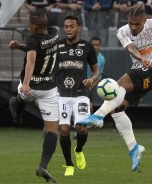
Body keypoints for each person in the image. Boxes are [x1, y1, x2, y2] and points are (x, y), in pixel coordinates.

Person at [77, 5, 152, 172]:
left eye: (137, 24)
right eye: (131, 23)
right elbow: (130, 48)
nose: (133, 27)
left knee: (120, 84)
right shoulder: (122, 31)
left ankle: (97, 116)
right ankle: (134, 149)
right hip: (141, 69)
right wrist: (141, 57)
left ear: (144, 21)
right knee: (117, 110)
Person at [9, 11, 59, 183]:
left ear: (34, 27)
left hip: (31, 86)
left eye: (29, 24)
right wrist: (20, 46)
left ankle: (18, 105)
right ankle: (43, 165)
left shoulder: (32, 39)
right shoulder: (54, 33)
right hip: (49, 89)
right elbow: (39, 50)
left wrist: (26, 84)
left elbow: (31, 60)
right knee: (52, 131)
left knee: (22, 96)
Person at [57, 15, 99, 176]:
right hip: (62, 94)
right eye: (66, 26)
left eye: (71, 26)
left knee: (81, 128)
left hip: (81, 94)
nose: (68, 29)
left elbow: (96, 71)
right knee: (65, 129)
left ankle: (79, 149)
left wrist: (92, 80)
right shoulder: (57, 46)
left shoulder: (87, 47)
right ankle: (69, 165)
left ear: (78, 28)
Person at [87, 36, 106, 113]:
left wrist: (90, 87)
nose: (95, 47)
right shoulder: (84, 55)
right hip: (78, 82)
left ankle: (86, 123)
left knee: (89, 106)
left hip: (88, 85)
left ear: (100, 46)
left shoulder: (102, 59)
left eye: (97, 45)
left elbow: (98, 77)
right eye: (93, 45)